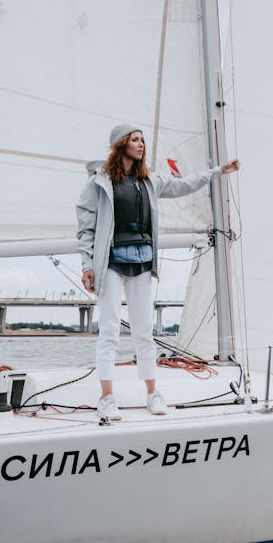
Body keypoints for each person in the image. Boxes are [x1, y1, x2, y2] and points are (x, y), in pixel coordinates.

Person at [77, 123, 239, 421]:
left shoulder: (148, 180)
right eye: (135, 140)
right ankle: (106, 397)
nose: (141, 145)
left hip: (141, 260)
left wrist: (217, 171)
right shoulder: (99, 183)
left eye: (142, 140)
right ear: (121, 144)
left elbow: (185, 184)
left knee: (144, 332)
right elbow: (85, 227)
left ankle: (153, 392)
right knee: (109, 331)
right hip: (109, 263)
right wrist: (87, 265)